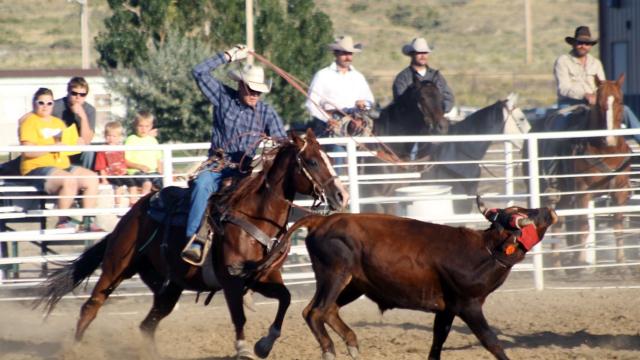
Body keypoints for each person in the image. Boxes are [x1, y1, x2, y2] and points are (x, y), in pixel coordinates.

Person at [181, 44, 287, 265]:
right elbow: (198, 72)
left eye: (259, 91)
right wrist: (227, 56)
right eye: (252, 89)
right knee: (202, 185)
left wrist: (273, 145)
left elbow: (281, 141)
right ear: (240, 85)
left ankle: (271, 242)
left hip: (247, 168)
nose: (255, 95)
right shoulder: (223, 98)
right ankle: (194, 239)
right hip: (219, 164)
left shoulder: (267, 112)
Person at [18, 87, 101, 231]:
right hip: (37, 167)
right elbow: (28, 151)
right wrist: (52, 146)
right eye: (41, 102)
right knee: (68, 179)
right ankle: (63, 220)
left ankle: (88, 221)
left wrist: (77, 143)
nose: (45, 106)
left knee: (92, 178)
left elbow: (68, 147)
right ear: (34, 104)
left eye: (49, 103)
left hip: (61, 165)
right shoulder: (29, 122)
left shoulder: (58, 123)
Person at [554, 25, 640, 138]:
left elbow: (602, 85)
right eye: (580, 42)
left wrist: (604, 94)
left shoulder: (595, 63)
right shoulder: (563, 61)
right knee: (561, 123)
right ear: (574, 43)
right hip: (571, 104)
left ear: (590, 46)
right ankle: (556, 151)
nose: (583, 46)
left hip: (596, 104)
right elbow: (563, 88)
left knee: (626, 111)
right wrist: (585, 95)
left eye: (587, 43)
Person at [305, 35, 375, 165]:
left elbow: (370, 101)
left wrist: (364, 104)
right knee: (337, 158)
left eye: (350, 54)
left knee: (364, 158)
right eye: (344, 53)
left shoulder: (358, 77)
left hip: (355, 123)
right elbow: (311, 103)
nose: (348, 57)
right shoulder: (323, 75)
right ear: (336, 54)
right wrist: (327, 119)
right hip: (331, 124)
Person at [392, 37, 455, 113]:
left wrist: (440, 112)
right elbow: (400, 102)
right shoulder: (402, 78)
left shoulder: (436, 76)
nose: (423, 56)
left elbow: (448, 97)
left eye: (425, 52)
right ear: (412, 54)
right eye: (419, 53)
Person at [52, 77, 97, 169]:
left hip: (77, 149)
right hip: (58, 147)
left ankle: (84, 177)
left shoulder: (89, 110)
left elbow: (87, 141)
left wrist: (83, 117)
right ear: (68, 92)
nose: (78, 97)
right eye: (74, 93)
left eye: (82, 94)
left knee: (89, 150)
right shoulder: (55, 106)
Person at [124, 111, 163, 203]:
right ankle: (143, 205)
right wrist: (139, 166)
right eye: (140, 126)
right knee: (147, 183)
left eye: (147, 126)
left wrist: (161, 171)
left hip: (153, 172)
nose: (143, 129)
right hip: (136, 172)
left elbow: (158, 159)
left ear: (151, 126)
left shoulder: (153, 140)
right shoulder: (131, 140)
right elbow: (125, 160)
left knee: (163, 183)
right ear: (135, 125)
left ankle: (162, 206)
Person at [94, 121, 134, 207]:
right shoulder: (102, 150)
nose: (111, 138)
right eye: (109, 136)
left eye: (114, 136)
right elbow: (101, 166)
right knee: (118, 185)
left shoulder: (121, 148)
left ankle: (133, 202)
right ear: (105, 136)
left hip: (123, 173)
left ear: (119, 137)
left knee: (132, 184)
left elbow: (124, 162)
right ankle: (117, 204)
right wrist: (104, 179)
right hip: (112, 174)